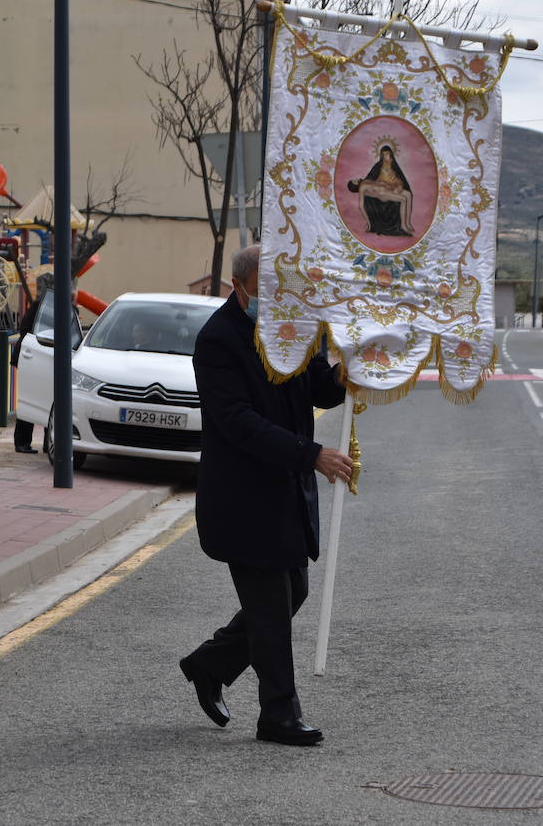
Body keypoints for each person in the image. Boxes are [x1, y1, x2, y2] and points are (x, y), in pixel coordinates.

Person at [178, 243, 352, 746]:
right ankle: (278, 714)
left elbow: (318, 389)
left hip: (284, 494)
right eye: (268, 291)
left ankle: (209, 664)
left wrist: (348, 371)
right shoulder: (217, 340)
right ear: (241, 287)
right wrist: (310, 454)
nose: (278, 300)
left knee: (291, 592)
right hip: (242, 498)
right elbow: (237, 422)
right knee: (273, 607)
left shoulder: (292, 329)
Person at [347, 144, 414, 236]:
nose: (356, 178)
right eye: (354, 181)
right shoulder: (362, 187)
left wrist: (396, 186)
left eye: (387, 154)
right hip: (383, 194)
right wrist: (369, 223)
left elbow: (377, 180)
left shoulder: (366, 181)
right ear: (355, 185)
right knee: (403, 199)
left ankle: (408, 223)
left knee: (408, 195)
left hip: (388, 189)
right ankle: (403, 226)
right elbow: (361, 206)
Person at [10, 292, 42, 454]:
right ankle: (22, 442)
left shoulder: (41, 304)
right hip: (32, 357)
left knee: (34, 399)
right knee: (32, 400)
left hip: (30, 356)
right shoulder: (46, 306)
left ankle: (24, 441)